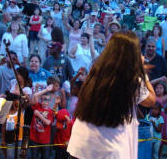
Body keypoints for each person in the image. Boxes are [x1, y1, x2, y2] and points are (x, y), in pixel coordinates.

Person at [67, 31, 156, 159]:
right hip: (108, 150)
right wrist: (141, 70)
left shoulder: (96, 68)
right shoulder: (132, 77)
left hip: (82, 145)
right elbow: (151, 100)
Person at [29, 85, 56, 159]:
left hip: (45, 141)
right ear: (41, 100)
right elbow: (35, 95)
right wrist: (46, 90)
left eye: (46, 100)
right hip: (35, 138)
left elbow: (48, 123)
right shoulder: (38, 106)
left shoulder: (50, 111)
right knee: (34, 157)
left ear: (50, 101)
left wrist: (38, 115)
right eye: (43, 99)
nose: (44, 101)